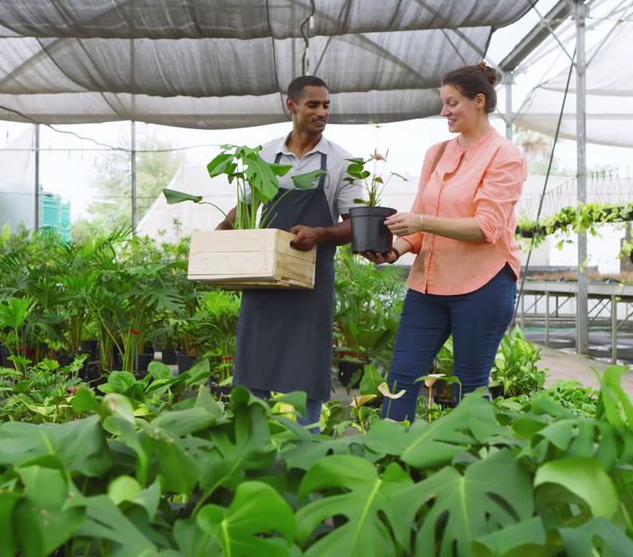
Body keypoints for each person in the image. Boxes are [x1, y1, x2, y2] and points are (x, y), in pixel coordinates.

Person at [360, 62, 526, 421]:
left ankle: (471, 463)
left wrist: (420, 221)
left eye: (452, 103)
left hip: (482, 284)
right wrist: (394, 250)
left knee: (469, 382)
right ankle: (390, 459)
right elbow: (420, 224)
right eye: (443, 103)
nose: (444, 111)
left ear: (478, 101)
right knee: (402, 375)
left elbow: (487, 228)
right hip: (428, 286)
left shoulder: (505, 156)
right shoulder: (436, 153)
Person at [217, 75, 363, 429]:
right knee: (254, 362)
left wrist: (321, 232)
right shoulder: (264, 155)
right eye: (313, 104)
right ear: (291, 105)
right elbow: (246, 208)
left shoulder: (342, 162)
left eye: (326, 105)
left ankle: (304, 443)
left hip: (311, 282)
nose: (322, 112)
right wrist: (220, 237)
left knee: (306, 367)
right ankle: (249, 444)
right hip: (263, 279)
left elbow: (358, 223)